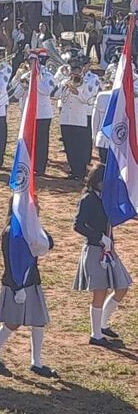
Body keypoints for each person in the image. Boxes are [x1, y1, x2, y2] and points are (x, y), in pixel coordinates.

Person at [0, 196, 57, 378]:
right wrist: (18, 288)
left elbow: (49, 243)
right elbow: (11, 262)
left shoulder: (32, 229)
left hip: (32, 280)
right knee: (12, 321)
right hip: (16, 283)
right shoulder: (10, 232)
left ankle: (37, 362)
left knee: (39, 321)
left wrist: (37, 229)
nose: (38, 208)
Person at [72, 164, 132, 348]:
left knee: (122, 286)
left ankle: (103, 324)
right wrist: (99, 237)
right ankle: (95, 334)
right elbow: (78, 225)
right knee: (100, 292)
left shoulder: (105, 198)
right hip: (94, 250)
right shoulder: (88, 199)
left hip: (108, 249)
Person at [15, 52, 55, 176]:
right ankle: (30, 164)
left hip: (42, 113)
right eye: (29, 61)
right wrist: (22, 84)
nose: (30, 64)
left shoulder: (46, 75)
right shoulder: (26, 75)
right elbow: (16, 94)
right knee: (29, 140)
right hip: (28, 113)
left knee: (41, 142)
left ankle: (40, 167)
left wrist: (34, 81)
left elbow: (47, 90)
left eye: (33, 61)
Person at [58, 62, 97, 181]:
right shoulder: (65, 82)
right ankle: (73, 170)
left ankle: (80, 172)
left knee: (78, 147)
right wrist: (64, 84)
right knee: (69, 147)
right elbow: (55, 94)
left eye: (76, 72)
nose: (74, 75)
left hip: (78, 119)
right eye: (72, 72)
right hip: (65, 119)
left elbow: (88, 100)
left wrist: (77, 92)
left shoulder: (85, 84)